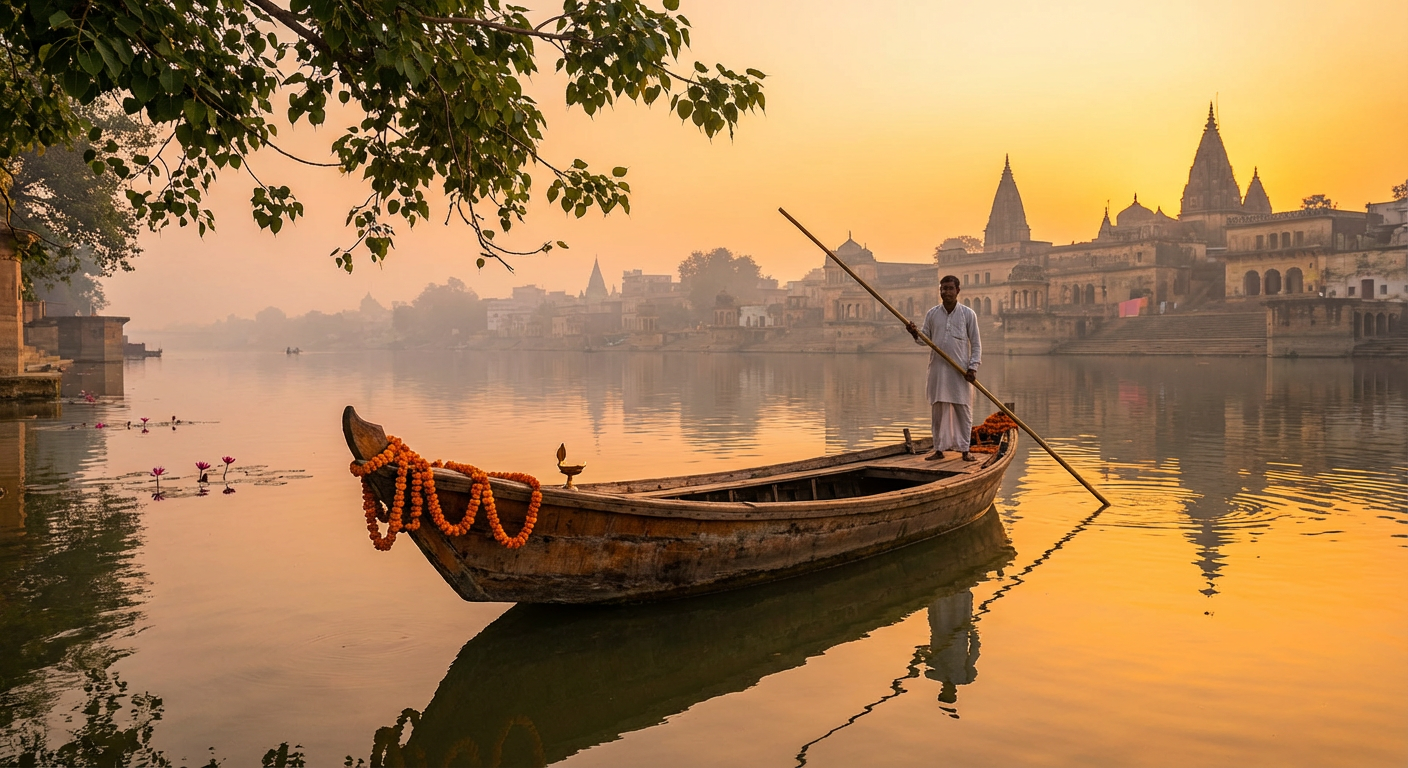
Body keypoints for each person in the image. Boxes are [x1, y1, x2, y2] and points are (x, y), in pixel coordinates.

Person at [906, 275, 981, 461]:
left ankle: (965, 450)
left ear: (957, 291)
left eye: (949, 288)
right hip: (938, 371)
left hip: (960, 371)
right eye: (943, 288)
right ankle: (939, 449)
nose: (946, 292)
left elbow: (977, 344)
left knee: (963, 410)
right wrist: (915, 334)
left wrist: (972, 368)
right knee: (938, 410)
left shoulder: (968, 314)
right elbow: (925, 340)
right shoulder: (932, 314)